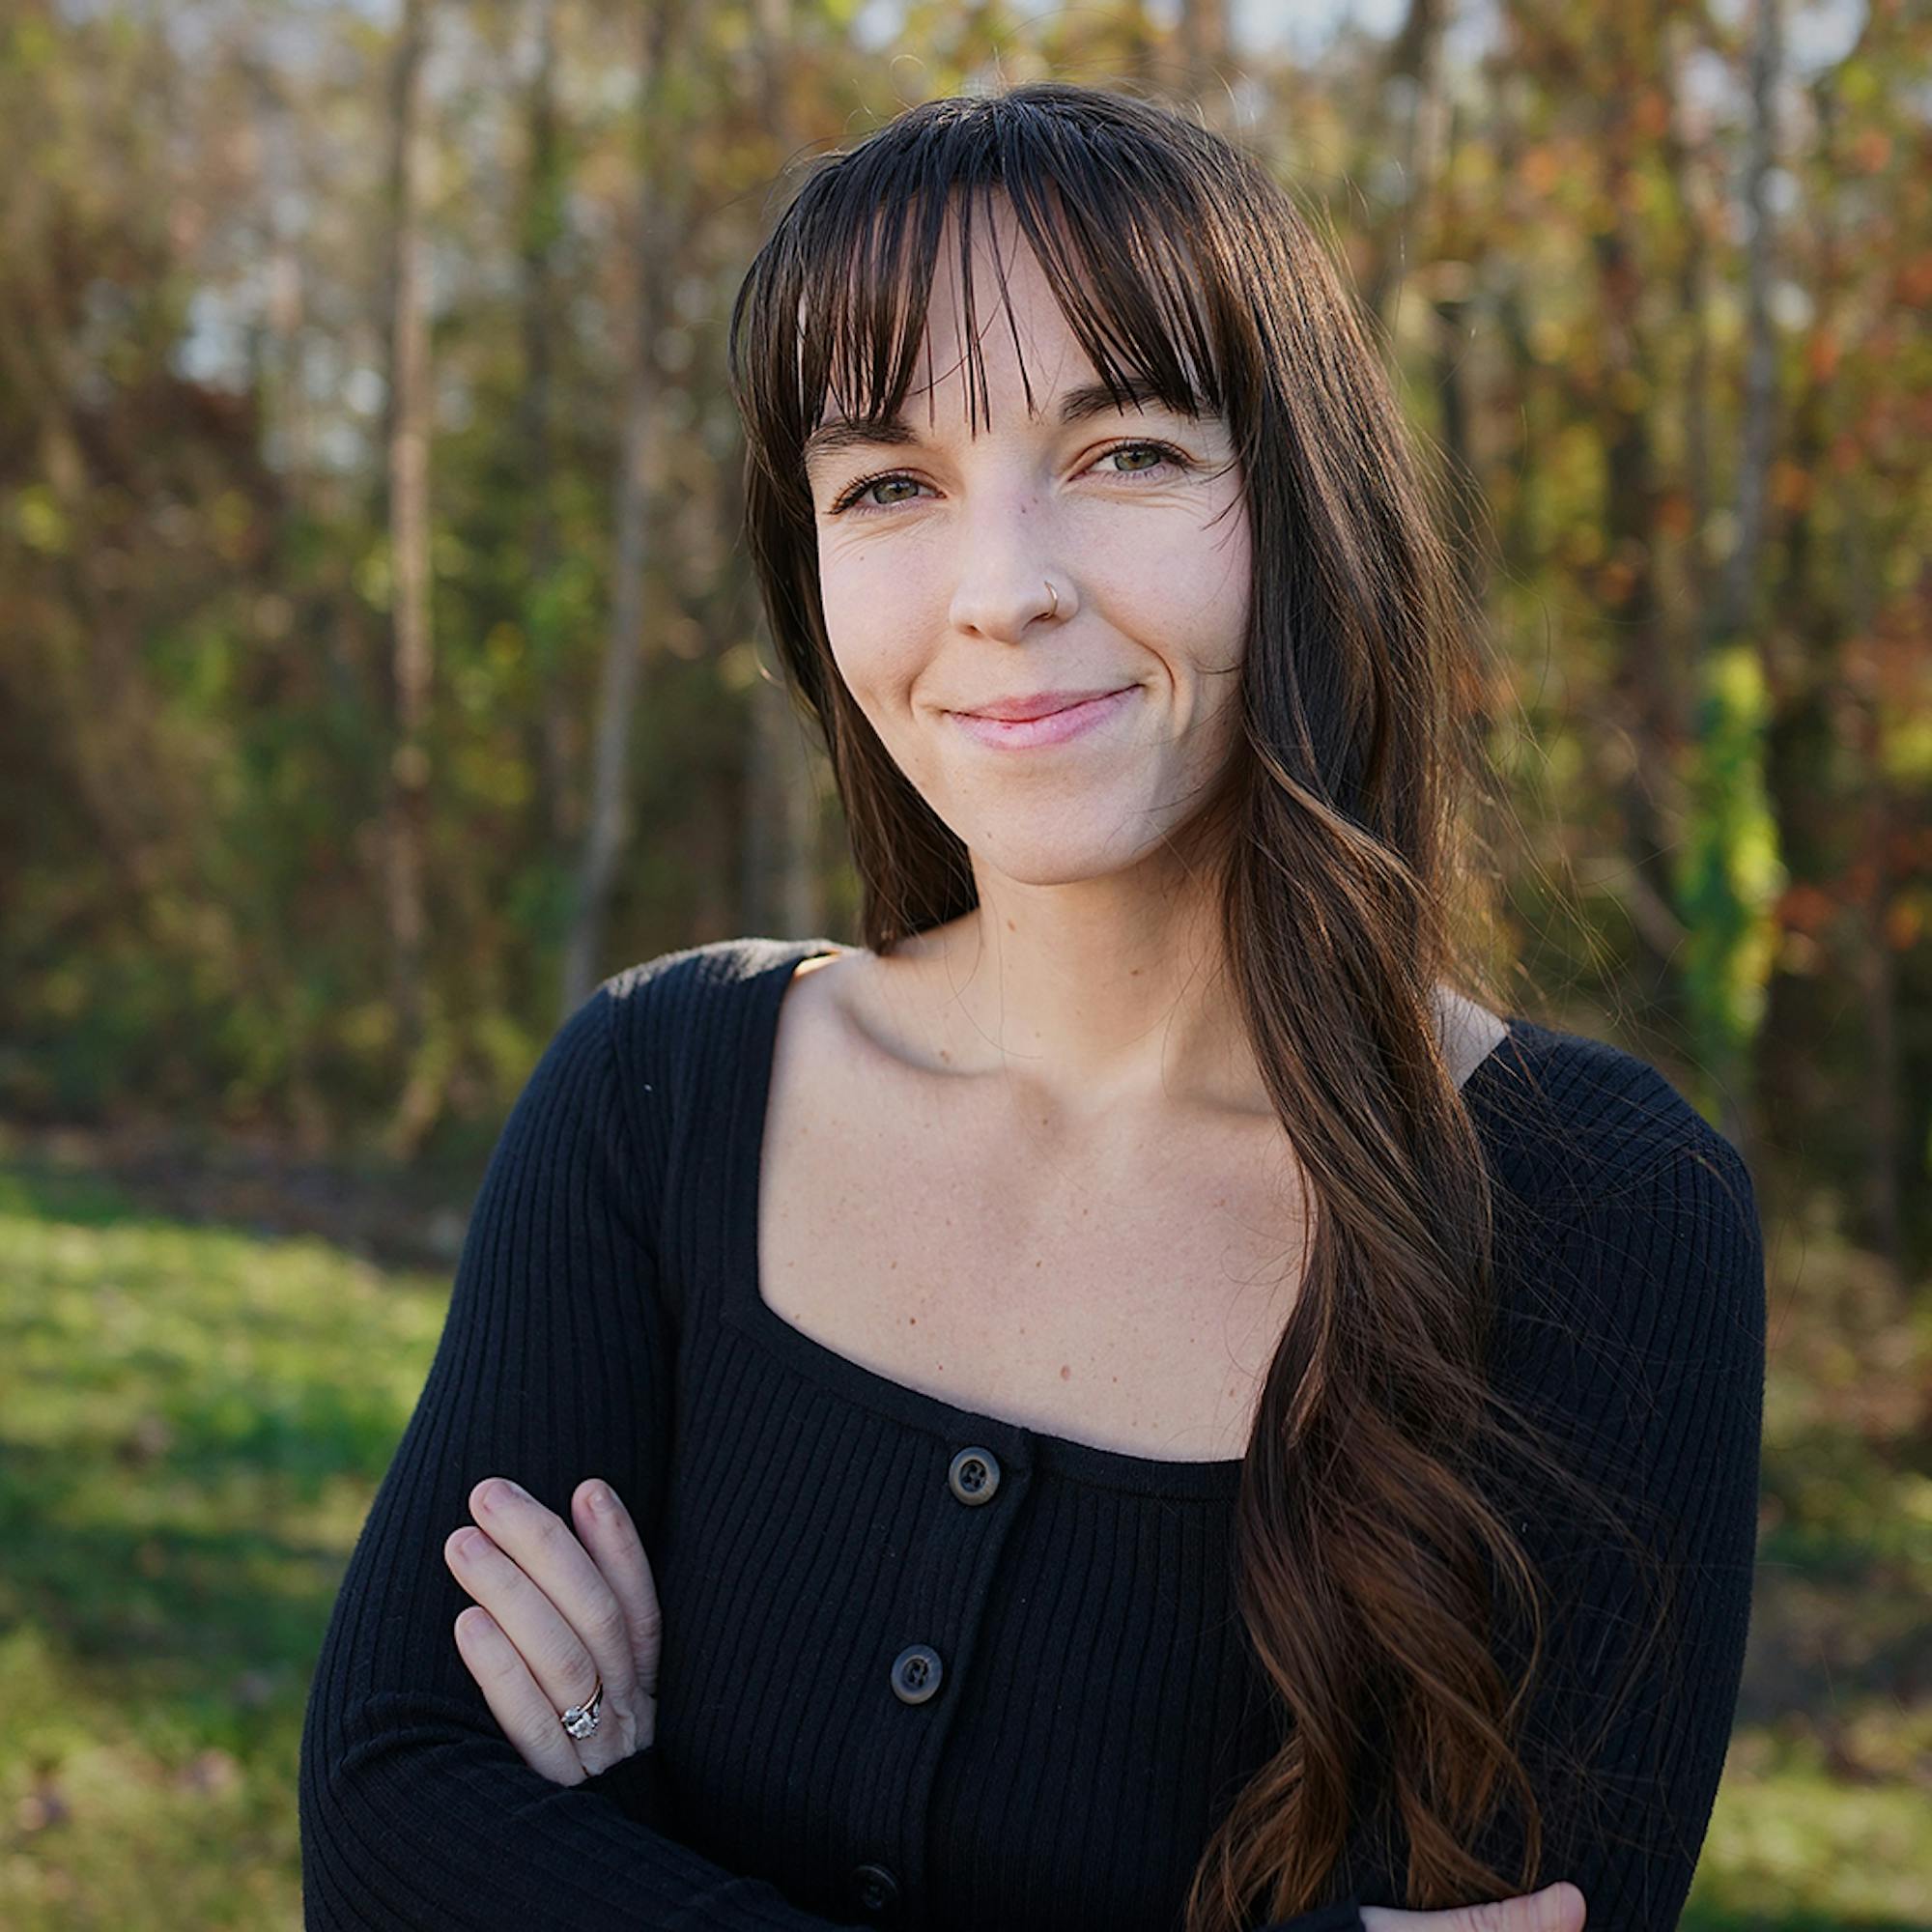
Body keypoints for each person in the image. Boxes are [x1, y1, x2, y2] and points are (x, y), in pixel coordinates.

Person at [298, 80, 1765, 1932]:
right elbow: (385, 1825)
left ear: (1301, 506)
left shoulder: (1603, 1214)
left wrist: (613, 1831)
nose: (1003, 592)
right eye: (889, 484)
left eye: (1125, 451)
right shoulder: (657, 1095)